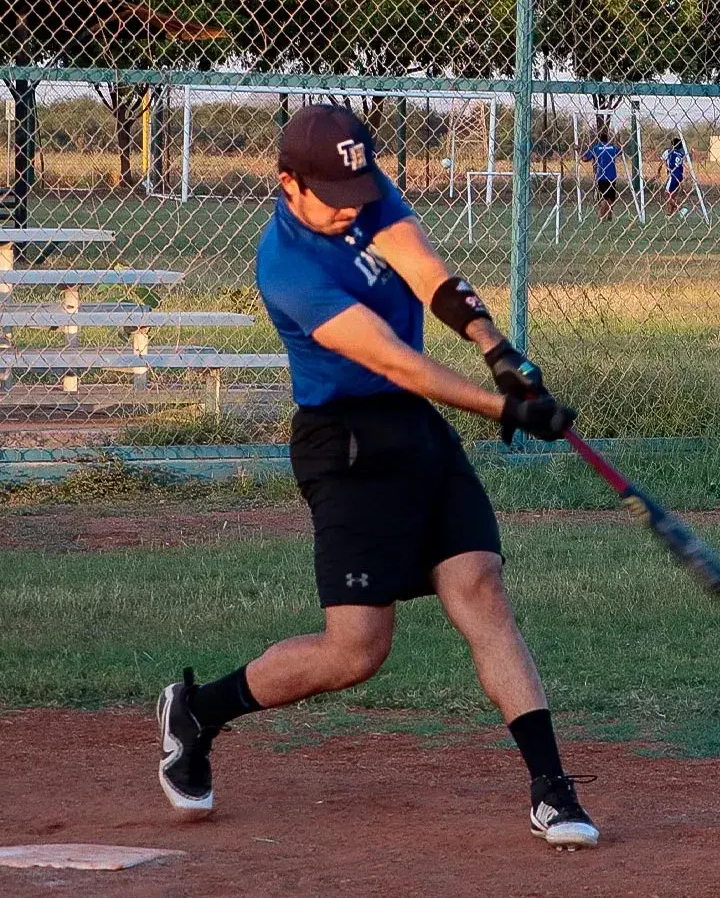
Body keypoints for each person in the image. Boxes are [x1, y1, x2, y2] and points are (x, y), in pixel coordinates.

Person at [156, 105, 601, 851]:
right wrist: (507, 409)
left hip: (414, 430)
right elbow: (400, 362)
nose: (349, 208)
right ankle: (200, 711)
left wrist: (497, 350)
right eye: (333, 196)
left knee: (480, 585)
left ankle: (552, 789)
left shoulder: (364, 192)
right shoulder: (289, 267)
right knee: (357, 650)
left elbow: (431, 276)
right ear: (288, 184)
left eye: (357, 192)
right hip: (346, 446)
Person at [583, 129, 624, 222]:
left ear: (599, 139)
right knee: (611, 197)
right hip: (612, 176)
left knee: (603, 198)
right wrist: (619, 142)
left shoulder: (596, 148)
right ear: (607, 139)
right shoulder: (612, 148)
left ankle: (602, 217)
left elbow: (585, 159)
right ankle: (609, 215)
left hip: (601, 176)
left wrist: (579, 151)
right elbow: (620, 151)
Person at [657, 137, 688, 220]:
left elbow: (661, 163)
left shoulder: (668, 152)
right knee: (672, 195)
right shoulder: (681, 154)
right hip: (680, 175)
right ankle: (669, 214)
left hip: (673, 175)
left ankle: (681, 208)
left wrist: (658, 172)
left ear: (672, 144)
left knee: (666, 195)